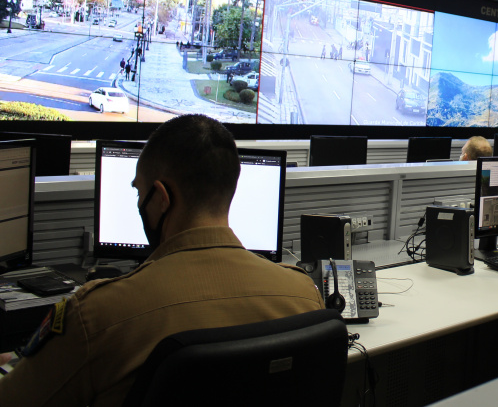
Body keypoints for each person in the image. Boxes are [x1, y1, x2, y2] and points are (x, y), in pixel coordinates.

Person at [0, 115, 324, 407]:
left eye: (140, 193)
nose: (140, 203)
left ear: (161, 199)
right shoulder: (302, 295)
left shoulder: (97, 314)